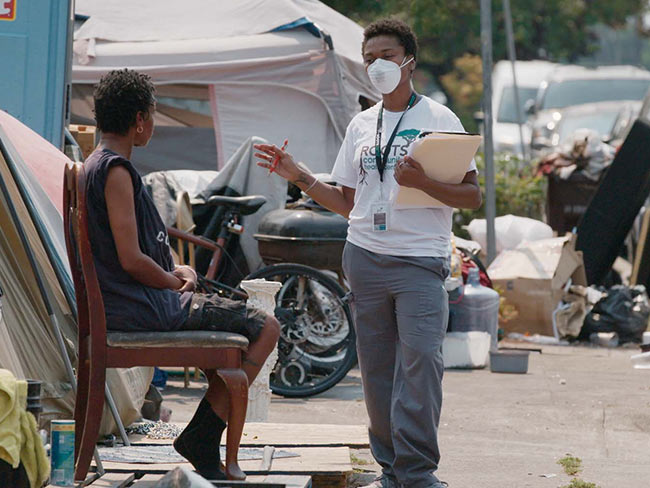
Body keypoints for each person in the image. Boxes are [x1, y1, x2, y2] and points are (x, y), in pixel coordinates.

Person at [254, 18, 481, 488]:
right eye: (370, 57)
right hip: (364, 257)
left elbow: (471, 196)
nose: (378, 65)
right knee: (376, 371)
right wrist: (299, 175)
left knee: (421, 363)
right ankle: (389, 469)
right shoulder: (361, 124)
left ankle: (418, 473)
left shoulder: (440, 120)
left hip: (420, 260)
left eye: (387, 56)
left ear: (409, 62)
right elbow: (348, 202)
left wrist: (422, 183)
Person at [84, 69, 280, 480]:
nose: (152, 123)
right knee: (266, 328)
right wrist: (176, 282)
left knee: (235, 334)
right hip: (142, 307)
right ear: (140, 120)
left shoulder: (91, 164)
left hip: (133, 301)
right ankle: (203, 437)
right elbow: (131, 260)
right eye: (152, 114)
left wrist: (176, 267)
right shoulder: (117, 171)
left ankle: (202, 435)